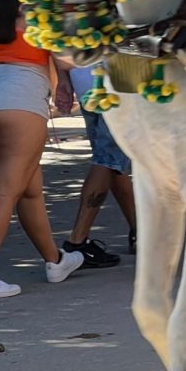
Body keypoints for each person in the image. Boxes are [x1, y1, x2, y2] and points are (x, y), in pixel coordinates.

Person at [0, 0, 83, 298]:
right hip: (20, 93)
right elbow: (67, 55)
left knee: (29, 189)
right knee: (5, 193)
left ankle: (55, 261)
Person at [53, 65, 136, 267]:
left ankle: (140, 231)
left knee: (110, 160)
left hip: (85, 80)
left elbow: (58, 40)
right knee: (107, 160)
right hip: (118, 81)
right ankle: (76, 241)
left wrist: (63, 77)